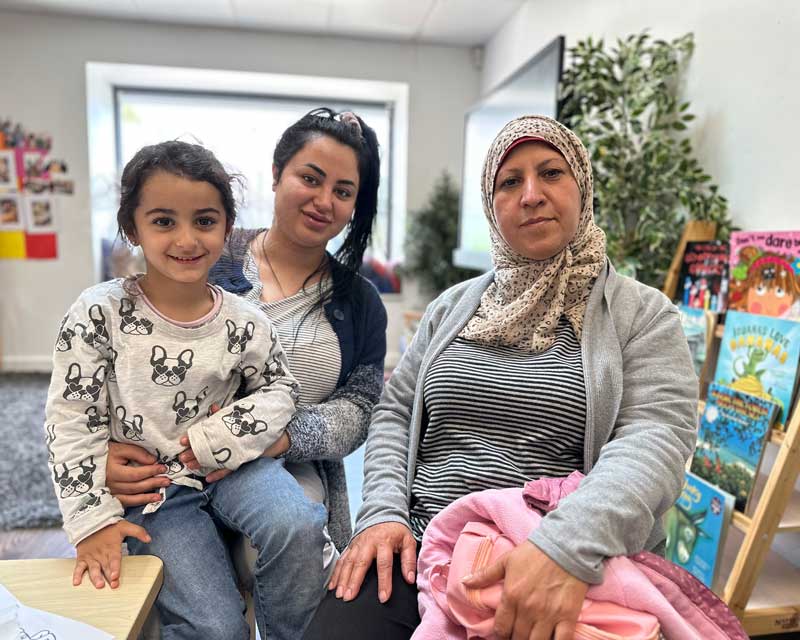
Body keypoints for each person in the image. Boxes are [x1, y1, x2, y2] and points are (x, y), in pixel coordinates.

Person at [308, 115, 698, 640]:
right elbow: (395, 412)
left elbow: (655, 439)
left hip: (563, 553)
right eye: (509, 182)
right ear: (492, 207)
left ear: (582, 187)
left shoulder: (642, 315)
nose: (531, 195)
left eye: (551, 174)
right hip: (418, 544)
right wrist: (381, 513)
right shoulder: (452, 308)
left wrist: (563, 549)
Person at [102, 108, 387, 626]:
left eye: (344, 191)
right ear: (277, 176)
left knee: (291, 540)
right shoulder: (204, 248)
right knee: (204, 613)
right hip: (170, 463)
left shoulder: (360, 301)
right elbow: (122, 360)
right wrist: (108, 448)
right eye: (310, 178)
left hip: (282, 467)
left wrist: (278, 437)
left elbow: (362, 407)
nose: (324, 200)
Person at [45, 140, 329, 640]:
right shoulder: (98, 314)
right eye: (162, 221)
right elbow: (70, 421)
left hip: (234, 466)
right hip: (156, 491)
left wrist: (222, 435)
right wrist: (91, 522)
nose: (186, 238)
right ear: (132, 228)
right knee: (217, 629)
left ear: (226, 226)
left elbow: (281, 390)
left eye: (204, 220)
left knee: (298, 524)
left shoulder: (247, 319)